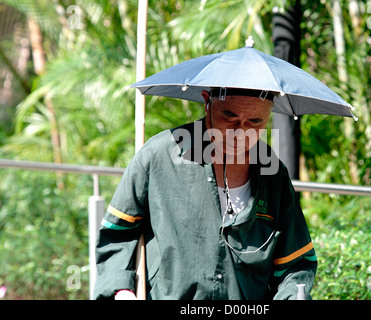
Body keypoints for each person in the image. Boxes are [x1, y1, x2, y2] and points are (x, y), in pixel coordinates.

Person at [93, 88, 317, 300]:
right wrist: (121, 290)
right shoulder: (158, 156)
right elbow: (116, 235)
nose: (239, 132)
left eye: (254, 122)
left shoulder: (273, 174)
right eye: (229, 116)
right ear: (206, 101)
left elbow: (295, 263)